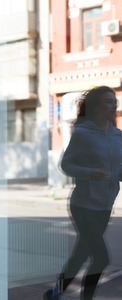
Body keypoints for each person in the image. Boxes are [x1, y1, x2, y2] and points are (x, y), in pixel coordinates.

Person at [44, 86, 122, 300]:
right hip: (83, 205)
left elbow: (119, 170)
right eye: (108, 101)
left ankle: (54, 293)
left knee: (81, 255)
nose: (113, 104)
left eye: (114, 101)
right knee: (101, 258)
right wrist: (90, 173)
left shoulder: (118, 136)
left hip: (105, 205)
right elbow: (66, 165)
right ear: (96, 107)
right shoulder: (83, 133)